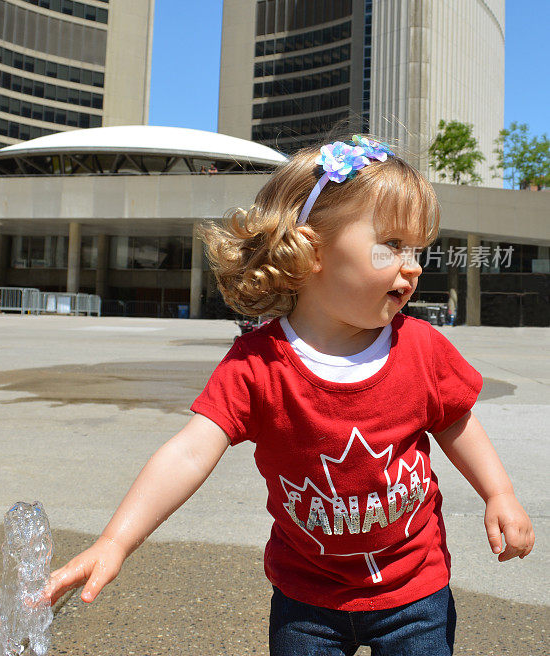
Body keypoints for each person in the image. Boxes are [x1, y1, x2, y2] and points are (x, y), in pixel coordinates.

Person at [45, 135, 534, 655]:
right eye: (390, 245)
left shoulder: (421, 349)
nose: (410, 265)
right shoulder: (258, 365)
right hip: (308, 600)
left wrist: (498, 492)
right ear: (312, 247)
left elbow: (456, 421)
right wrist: (115, 541)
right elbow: (189, 452)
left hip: (415, 589)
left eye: (416, 250)